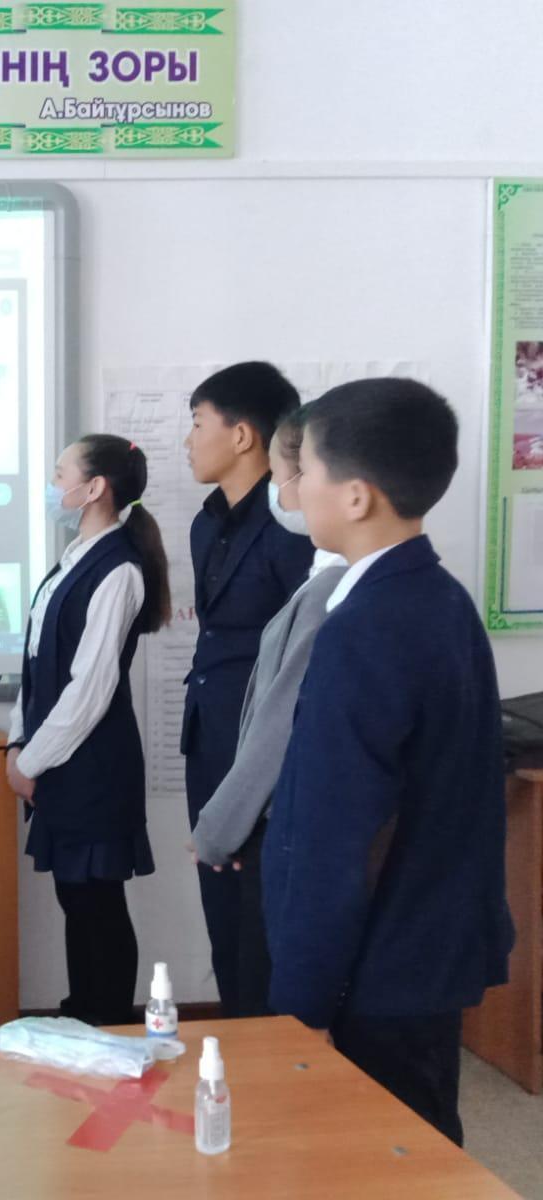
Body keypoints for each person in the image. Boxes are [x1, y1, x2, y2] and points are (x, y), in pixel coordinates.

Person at [263, 378, 514, 1145]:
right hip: (422, 951)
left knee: (382, 1156)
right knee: (420, 1142)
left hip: (378, 964)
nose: (295, 487)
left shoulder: (367, 627)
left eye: (306, 469)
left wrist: (303, 1000)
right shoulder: (438, 596)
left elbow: (338, 833)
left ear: (356, 496)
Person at [5, 435, 172, 1027]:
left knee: (96, 898)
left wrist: (30, 762)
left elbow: (90, 689)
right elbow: (35, 665)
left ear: (95, 487)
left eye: (60, 474)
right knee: (75, 897)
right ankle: (83, 1019)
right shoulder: (75, 557)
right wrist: (17, 742)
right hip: (57, 758)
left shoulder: (120, 568)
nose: (53, 486)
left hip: (93, 763)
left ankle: (107, 1024)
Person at [188, 407, 346, 1016]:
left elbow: (281, 719)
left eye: (289, 477)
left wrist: (224, 825)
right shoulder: (212, 526)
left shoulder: (333, 590)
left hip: (279, 804)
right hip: (245, 784)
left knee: (269, 978)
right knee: (238, 945)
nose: (284, 495)